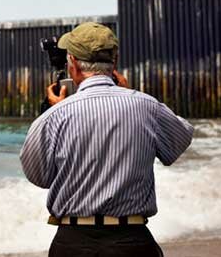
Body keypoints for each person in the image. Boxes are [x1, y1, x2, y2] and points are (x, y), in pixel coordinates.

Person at [20, 22, 193, 257]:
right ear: (115, 61)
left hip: (73, 242)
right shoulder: (146, 106)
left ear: (72, 64)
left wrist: (57, 114)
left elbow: (39, 176)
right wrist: (132, 96)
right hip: (133, 241)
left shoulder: (54, 116)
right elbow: (178, 141)